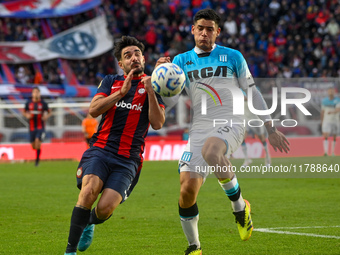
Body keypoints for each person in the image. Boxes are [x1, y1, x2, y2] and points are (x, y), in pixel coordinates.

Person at [161, 9, 290, 255]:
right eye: (200, 28)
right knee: (186, 190)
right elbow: (168, 102)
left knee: (212, 151)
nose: (204, 33)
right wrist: (161, 77)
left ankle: (240, 209)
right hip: (198, 129)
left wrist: (270, 127)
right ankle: (194, 247)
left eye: (210, 29)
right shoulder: (180, 61)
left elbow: (253, 92)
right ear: (192, 30)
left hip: (230, 121)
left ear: (217, 32)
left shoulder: (232, 56)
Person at [64, 36, 166, 255]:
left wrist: (150, 91)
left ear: (143, 57)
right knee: (89, 191)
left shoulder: (155, 86)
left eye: (137, 53)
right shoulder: (111, 81)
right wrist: (120, 93)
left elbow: (158, 123)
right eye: (127, 56)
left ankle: (90, 222)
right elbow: (94, 110)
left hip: (128, 160)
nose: (133, 58)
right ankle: (69, 251)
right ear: (121, 64)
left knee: (104, 208)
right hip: (101, 150)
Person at [24, 86, 52, 166]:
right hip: (32, 127)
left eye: (37, 92)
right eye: (34, 92)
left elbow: (50, 112)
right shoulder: (28, 103)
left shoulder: (43, 103)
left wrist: (46, 116)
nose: (36, 94)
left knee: (37, 141)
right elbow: (24, 112)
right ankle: (37, 157)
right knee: (34, 146)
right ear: (32, 93)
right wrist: (27, 116)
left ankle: (37, 161)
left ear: (39, 93)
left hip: (41, 127)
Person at [242, 97, 271, 167]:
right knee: (242, 138)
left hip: (255, 119)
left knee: (262, 139)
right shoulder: (238, 90)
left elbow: (255, 99)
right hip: (246, 118)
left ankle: (268, 158)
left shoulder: (254, 90)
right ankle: (247, 159)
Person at [320, 87, 340, 156]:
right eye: (330, 91)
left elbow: (338, 109)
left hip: (335, 120)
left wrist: (332, 112)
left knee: (334, 136)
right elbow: (322, 112)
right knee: (326, 135)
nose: (331, 92)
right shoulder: (324, 101)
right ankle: (325, 152)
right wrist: (322, 121)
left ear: (334, 92)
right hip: (327, 120)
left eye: (332, 91)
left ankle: (333, 152)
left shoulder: (338, 100)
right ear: (328, 92)